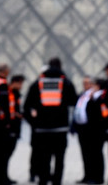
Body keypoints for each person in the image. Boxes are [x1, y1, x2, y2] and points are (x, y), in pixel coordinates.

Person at [24, 57, 77, 185]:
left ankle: (43, 180)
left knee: (43, 158)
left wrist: (34, 123)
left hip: (42, 129)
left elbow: (26, 107)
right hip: (60, 128)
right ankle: (57, 181)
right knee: (59, 158)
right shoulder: (66, 83)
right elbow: (74, 101)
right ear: (60, 66)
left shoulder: (38, 83)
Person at [73, 77, 104, 184]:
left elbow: (96, 112)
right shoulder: (83, 95)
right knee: (85, 154)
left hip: (93, 130)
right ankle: (87, 175)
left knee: (95, 154)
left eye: (88, 83)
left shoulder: (97, 96)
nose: (86, 85)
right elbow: (78, 109)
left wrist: (92, 99)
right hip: (83, 129)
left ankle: (97, 177)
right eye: (84, 83)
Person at [2, 74, 25, 184]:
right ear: (15, 82)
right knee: (5, 153)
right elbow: (9, 110)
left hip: (14, 127)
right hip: (9, 127)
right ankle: (2, 176)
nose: (21, 86)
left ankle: (4, 176)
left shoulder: (15, 94)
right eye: (20, 83)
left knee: (8, 153)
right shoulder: (9, 93)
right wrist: (16, 115)